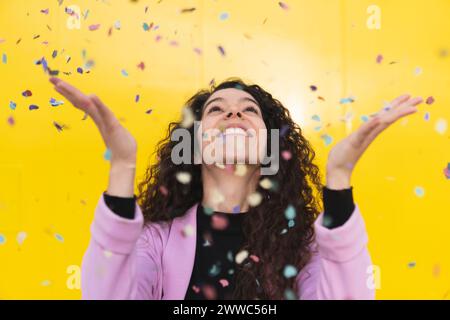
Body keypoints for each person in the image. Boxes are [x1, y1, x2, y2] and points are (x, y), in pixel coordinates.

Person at [49, 76, 423, 300]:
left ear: (272, 150)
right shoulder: (155, 243)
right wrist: (122, 168)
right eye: (215, 109)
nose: (233, 114)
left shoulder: (304, 245)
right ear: (192, 147)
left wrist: (339, 179)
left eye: (250, 110)